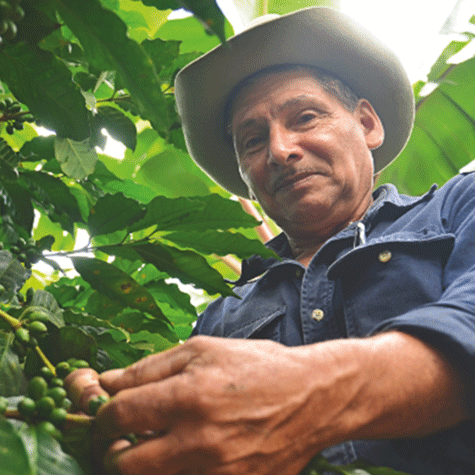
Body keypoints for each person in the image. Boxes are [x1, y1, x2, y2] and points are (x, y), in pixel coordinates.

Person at [69, 7, 475, 475]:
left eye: (304, 117)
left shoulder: (458, 207)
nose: (280, 150)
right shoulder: (221, 315)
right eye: (253, 141)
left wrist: (313, 393)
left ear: (367, 124)